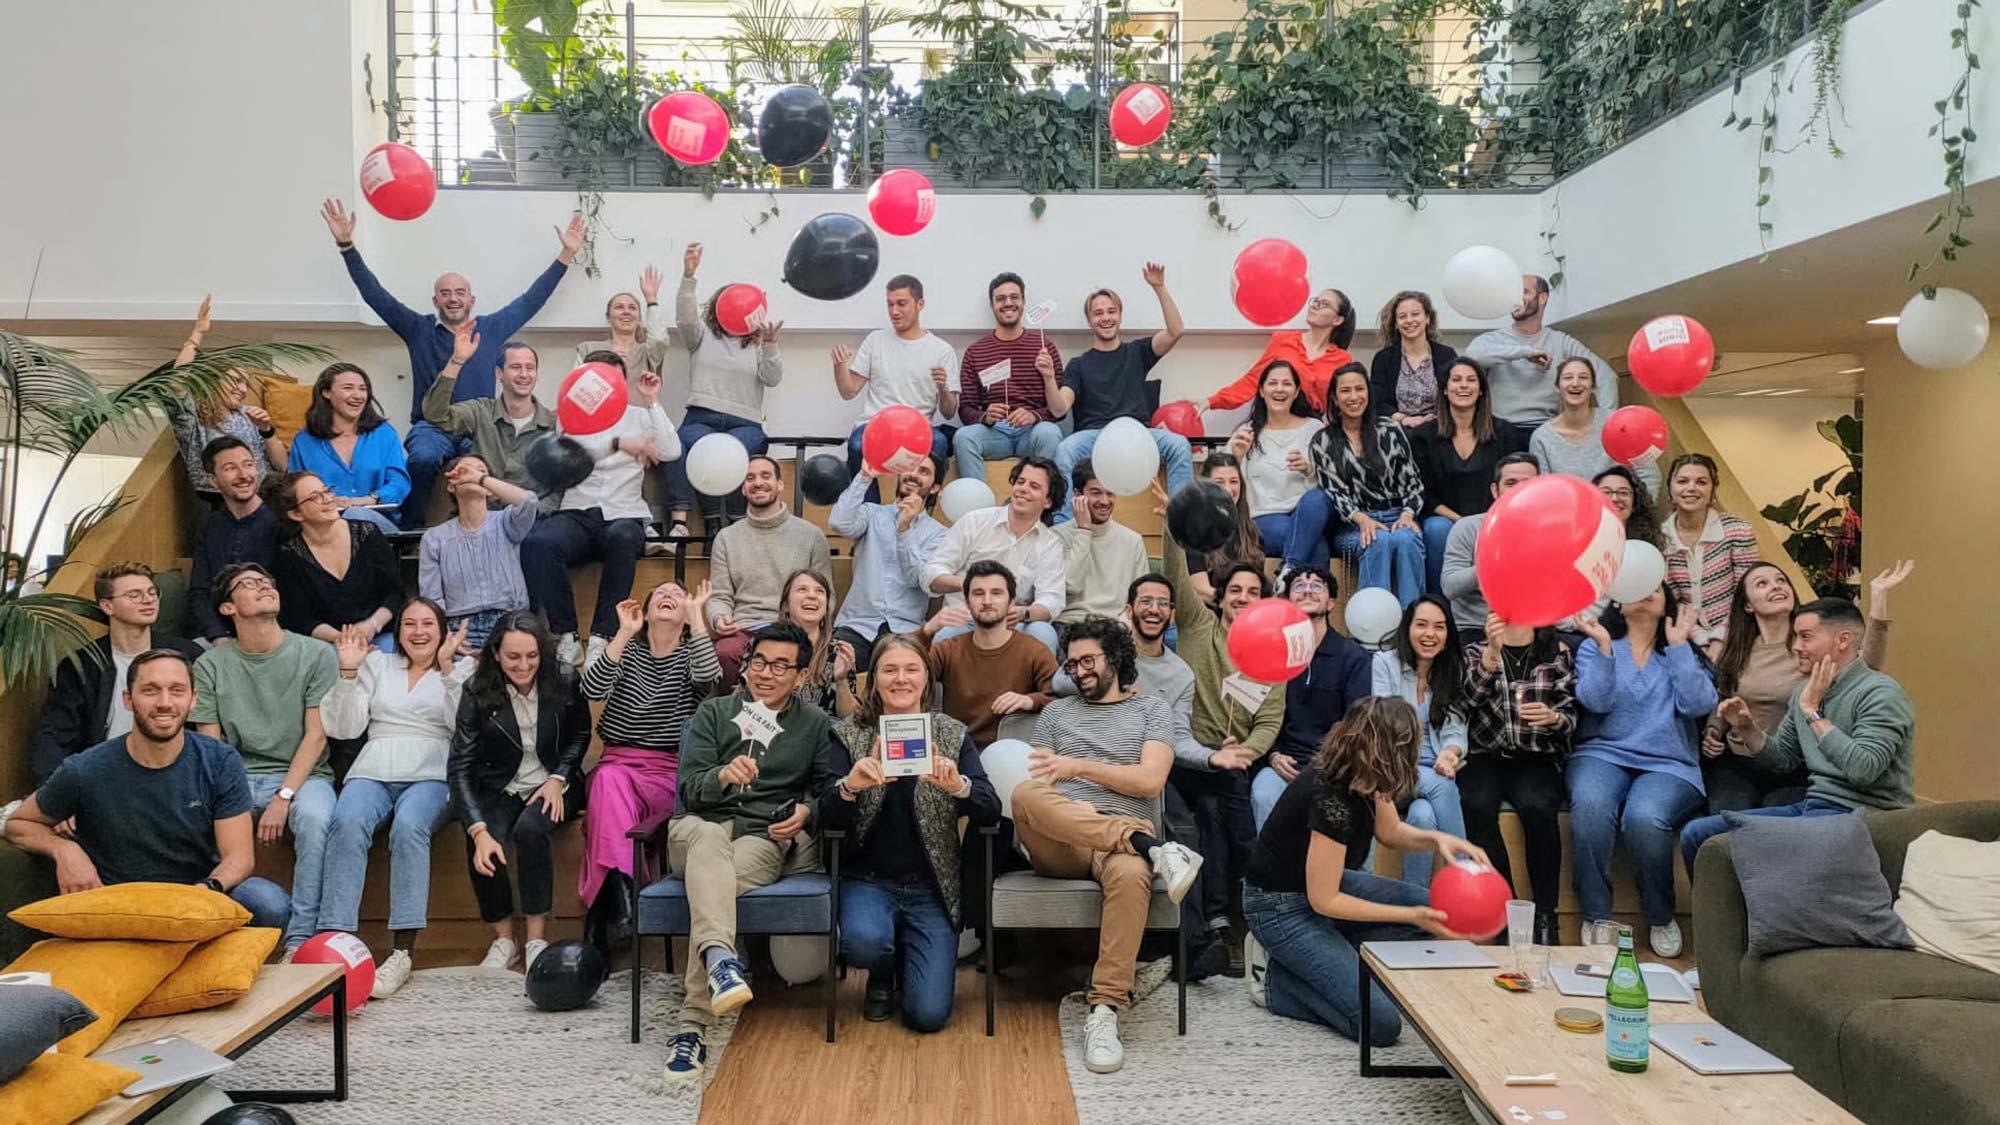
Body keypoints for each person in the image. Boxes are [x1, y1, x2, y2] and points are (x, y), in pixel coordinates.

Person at [320, 199, 585, 528]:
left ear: (471, 300)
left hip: (480, 425)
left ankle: (489, 533)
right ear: (436, 300)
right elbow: (376, 295)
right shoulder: (417, 329)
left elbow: (532, 299)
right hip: (433, 427)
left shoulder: (490, 328)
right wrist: (347, 246)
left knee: (496, 466)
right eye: (445, 293)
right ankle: (411, 531)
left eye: (460, 292)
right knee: (423, 457)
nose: (453, 298)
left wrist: (565, 255)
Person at [1016, 617, 1203, 1074]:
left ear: (1115, 658)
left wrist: (1077, 767)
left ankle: (1104, 1010)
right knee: (1022, 795)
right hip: (1063, 837)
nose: (1078, 671)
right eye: (1071, 663)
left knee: (1132, 871)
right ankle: (1152, 846)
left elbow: (1150, 781)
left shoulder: (1151, 710)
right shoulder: (1055, 715)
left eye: (1088, 661)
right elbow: (1038, 785)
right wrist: (1073, 798)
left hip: (1117, 849)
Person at [1240, 696, 1487, 1041]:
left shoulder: (1367, 774)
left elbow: (1390, 831)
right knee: (1381, 1025)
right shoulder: (1331, 798)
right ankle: (1273, 981)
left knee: (1437, 912)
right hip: (1279, 908)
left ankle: (1326, 960)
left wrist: (1440, 841)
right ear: (1387, 751)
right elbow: (1325, 901)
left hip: (1319, 889)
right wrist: (1411, 915)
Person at [662, 623, 841, 1084]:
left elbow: (827, 793)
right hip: (696, 829)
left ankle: (702, 1000)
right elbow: (689, 791)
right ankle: (712, 983)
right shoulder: (714, 712)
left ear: (801, 676)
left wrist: (805, 812)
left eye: (781, 666)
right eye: (759, 661)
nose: (766, 673)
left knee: (712, 891)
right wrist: (722, 776)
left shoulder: (814, 724)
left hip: (760, 837)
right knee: (707, 839)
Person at [5, 650, 290, 928]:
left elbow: (240, 858)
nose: (165, 703)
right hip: (119, 905)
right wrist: (64, 849)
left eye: (177, 691)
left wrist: (206, 889)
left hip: (198, 898)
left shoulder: (219, 760)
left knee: (267, 902)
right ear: (128, 699)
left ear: (193, 699)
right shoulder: (86, 768)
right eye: (150, 691)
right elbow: (19, 823)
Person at [820, 636, 1001, 1030]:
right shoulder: (848, 734)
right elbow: (826, 816)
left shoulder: (951, 733)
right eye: (890, 670)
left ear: (926, 679)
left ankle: (907, 959)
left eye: (911, 669)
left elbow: (991, 807)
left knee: (928, 1015)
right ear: (874, 680)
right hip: (867, 880)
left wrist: (959, 787)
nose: (900, 678)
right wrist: (849, 787)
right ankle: (882, 972)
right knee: (864, 942)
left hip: (931, 887)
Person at [1678, 595, 1917, 872]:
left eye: (1806, 637)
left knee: (1751, 852)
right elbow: (1782, 760)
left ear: (1843, 640)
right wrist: (1746, 727)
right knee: (1698, 835)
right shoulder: (1804, 692)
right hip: (1814, 808)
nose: (1796, 647)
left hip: (1866, 817)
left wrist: (1813, 712)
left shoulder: (1881, 693)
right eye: (1795, 637)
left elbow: (1862, 769)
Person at [319, 598, 473, 997]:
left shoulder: (462, 669)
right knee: (346, 820)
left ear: (442, 630)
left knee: (409, 827)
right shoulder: (377, 664)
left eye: (428, 624)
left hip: (432, 771)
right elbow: (344, 728)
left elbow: (462, 728)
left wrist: (447, 669)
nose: (418, 632)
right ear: (398, 631)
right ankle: (336, 942)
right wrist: (348, 672)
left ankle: (402, 951)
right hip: (374, 764)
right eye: (409, 624)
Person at [191, 562, 340, 953]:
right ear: (227, 608)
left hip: (305, 775)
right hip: (236, 775)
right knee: (194, 816)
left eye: (266, 581)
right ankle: (211, 931)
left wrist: (283, 797)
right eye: (249, 584)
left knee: (316, 818)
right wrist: (234, 796)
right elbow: (212, 747)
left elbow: (316, 735)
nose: (263, 587)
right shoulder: (209, 665)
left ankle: (301, 940)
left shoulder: (316, 653)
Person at [1567, 585, 1714, 956]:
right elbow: (1595, 702)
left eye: (1655, 588)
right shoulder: (1595, 645)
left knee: (1644, 817)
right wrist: (1603, 647)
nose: (1647, 592)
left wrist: (1679, 647)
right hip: (1603, 753)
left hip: (1669, 763)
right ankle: (1596, 915)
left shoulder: (1681, 650)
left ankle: (1660, 914)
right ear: (1618, 602)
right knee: (1591, 806)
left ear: (1667, 604)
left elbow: (1698, 705)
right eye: (1638, 585)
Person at [1161, 519, 1286, 949]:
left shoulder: (1271, 657)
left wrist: (1246, 750)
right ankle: (1239, 911)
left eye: (1252, 592)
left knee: (1224, 821)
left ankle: (1235, 921)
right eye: (1235, 590)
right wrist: (1172, 526)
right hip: (1184, 759)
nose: (1243, 597)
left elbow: (1269, 721)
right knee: (1216, 818)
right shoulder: (1197, 625)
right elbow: (1176, 576)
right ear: (1220, 596)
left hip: (1232, 764)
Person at [578, 580, 720, 954]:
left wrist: (698, 618)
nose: (668, 595)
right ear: (646, 609)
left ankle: (611, 909)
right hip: (616, 763)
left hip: (666, 772)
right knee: (608, 781)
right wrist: (624, 633)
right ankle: (625, 902)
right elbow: (592, 690)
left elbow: (710, 679)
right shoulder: (627, 651)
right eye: (660, 593)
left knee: (606, 794)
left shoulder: (691, 655)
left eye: (678, 594)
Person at [449, 611, 592, 974]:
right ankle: (503, 939)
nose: (523, 665)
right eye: (513, 656)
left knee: (530, 829)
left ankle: (535, 938)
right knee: (485, 837)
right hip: (500, 782)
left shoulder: (564, 677)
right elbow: (460, 766)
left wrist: (559, 777)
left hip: (556, 780)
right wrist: (477, 830)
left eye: (531, 655)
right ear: (496, 654)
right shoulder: (476, 689)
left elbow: (580, 735)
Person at [1698, 561, 1901, 813]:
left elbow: (1868, 664)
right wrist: (1714, 730)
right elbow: (1724, 696)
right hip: (1740, 761)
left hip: (1797, 764)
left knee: (1769, 823)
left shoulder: (1810, 647)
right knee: (1727, 818)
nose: (1776, 586)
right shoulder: (1737, 648)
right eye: (1762, 583)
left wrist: (1879, 606)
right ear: (1747, 605)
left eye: (1781, 580)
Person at [521, 358, 680, 667]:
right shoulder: (570, 419)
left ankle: (601, 637)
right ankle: (566, 634)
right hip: (577, 512)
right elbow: (572, 458)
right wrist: (618, 443)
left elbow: (671, 451)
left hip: (624, 512)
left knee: (624, 537)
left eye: (610, 381)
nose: (603, 388)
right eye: (596, 382)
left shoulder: (639, 416)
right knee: (538, 542)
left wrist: (652, 401)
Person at [1460, 613, 1574, 946]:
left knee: (1539, 807)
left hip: (1535, 756)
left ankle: (1546, 914)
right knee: (1476, 804)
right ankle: (1503, 910)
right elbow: (1466, 702)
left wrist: (1554, 718)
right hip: (1484, 755)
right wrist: (1491, 657)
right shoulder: (1475, 651)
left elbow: (1571, 715)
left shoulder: (1556, 652)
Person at [33, 563, 202, 784]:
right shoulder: (80, 665)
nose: (148, 600)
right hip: (101, 777)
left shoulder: (187, 656)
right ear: (107, 606)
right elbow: (56, 735)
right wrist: (54, 791)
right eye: (135, 595)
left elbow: (203, 727)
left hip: (172, 774)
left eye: (152, 592)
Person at [1051, 264, 1194, 516]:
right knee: (1064, 450)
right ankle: (1064, 525)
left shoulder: (1137, 352)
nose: (1105, 318)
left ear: (1120, 315)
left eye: (1111, 311)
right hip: (1095, 437)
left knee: (1179, 445)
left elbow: (1176, 331)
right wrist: (1048, 378)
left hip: (1138, 433)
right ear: (1090, 320)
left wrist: (1159, 287)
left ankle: (1182, 519)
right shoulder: (1078, 364)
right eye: (1098, 313)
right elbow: (1059, 407)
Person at [669, 243, 783, 538]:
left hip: (746, 421)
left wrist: (771, 345)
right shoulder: (701, 336)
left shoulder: (758, 343)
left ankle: (733, 523)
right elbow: (685, 318)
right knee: (679, 446)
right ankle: (694, 522)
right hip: (701, 417)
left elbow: (772, 378)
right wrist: (688, 276)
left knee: (731, 454)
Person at [1252, 567, 1371, 831]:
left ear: (1331, 603)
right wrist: (1273, 755)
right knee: (1262, 793)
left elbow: (1358, 724)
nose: (1307, 590)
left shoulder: (1353, 657)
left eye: (1317, 585)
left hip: (1334, 766)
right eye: (1298, 586)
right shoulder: (1273, 654)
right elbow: (1259, 716)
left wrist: (1332, 765)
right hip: (1285, 763)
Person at [1370, 596, 1469, 888]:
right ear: (1407, 628)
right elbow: (1385, 725)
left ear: (1448, 635)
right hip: (1393, 770)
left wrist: (1450, 753)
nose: (1430, 634)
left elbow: (1455, 726)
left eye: (1439, 627)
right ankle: (1466, 877)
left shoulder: (1451, 670)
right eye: (1422, 625)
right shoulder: (1385, 663)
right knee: (1442, 785)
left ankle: (1416, 899)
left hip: (1435, 766)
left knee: (1423, 817)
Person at [705, 454, 833, 679]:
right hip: (745, 626)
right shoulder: (726, 538)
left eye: (766, 476)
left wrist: (811, 629)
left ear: (780, 484)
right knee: (724, 653)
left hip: (794, 627)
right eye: (750, 478)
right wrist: (719, 617)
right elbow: (719, 595)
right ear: (743, 489)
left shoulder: (811, 535)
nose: (758, 483)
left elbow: (826, 593)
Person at [920, 457, 1067, 654]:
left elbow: (1051, 599)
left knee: (1044, 633)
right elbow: (931, 573)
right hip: (965, 619)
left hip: (1013, 623)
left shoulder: (1050, 544)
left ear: (1048, 501)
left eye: (1034, 486)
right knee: (944, 636)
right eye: (1020, 482)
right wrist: (967, 584)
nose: (1023, 489)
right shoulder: (974, 521)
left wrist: (1024, 613)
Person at [1312, 364, 1426, 607]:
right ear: (1334, 398)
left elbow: (1413, 481)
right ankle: (1373, 624)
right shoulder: (1323, 440)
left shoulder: (1390, 429)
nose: (1354, 397)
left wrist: (1408, 515)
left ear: (1368, 392)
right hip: (1352, 526)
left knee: (1407, 539)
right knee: (1376, 539)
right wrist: (1363, 520)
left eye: (1359, 389)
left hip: (1398, 515)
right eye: (1346, 391)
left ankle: (1413, 618)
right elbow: (1334, 493)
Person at [1412, 357, 1527, 594]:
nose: (1463, 385)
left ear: (1481, 389)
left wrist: (1484, 521)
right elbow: (1424, 493)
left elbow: (1513, 486)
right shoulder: (1423, 436)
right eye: (1456, 380)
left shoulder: (1505, 432)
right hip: (1445, 519)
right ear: (1445, 389)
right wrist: (1462, 522)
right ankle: (1438, 603)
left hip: (1493, 518)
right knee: (1437, 529)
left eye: (1471, 380)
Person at [919, 561, 1058, 746]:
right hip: (960, 750)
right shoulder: (948, 650)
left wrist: (1030, 701)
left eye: (996, 593)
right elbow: (904, 669)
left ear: (1011, 602)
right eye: (978, 593)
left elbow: (1060, 702)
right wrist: (927, 630)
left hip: (1011, 751)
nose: (987, 601)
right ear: (967, 602)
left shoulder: (1034, 651)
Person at [834, 274, 957, 479]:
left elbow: (949, 412)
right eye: (890, 304)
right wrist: (839, 366)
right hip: (876, 425)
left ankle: (918, 499)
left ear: (920, 304)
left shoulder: (941, 350)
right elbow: (848, 391)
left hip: (917, 429)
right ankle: (865, 500)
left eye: (901, 304)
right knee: (856, 445)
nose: (894, 311)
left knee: (939, 443)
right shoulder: (875, 340)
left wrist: (943, 388)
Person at [829, 457, 946, 667]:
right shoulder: (872, 513)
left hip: (905, 630)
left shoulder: (939, 534)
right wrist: (864, 477)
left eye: (924, 472)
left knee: (903, 674)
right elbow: (839, 523)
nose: (913, 474)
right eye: (910, 467)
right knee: (834, 668)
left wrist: (904, 530)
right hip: (858, 625)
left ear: (935, 487)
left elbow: (916, 578)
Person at [421, 326, 558, 500]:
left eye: (530, 368)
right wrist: (456, 361)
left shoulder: (554, 425)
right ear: (499, 373)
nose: (524, 374)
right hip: (483, 511)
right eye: (516, 367)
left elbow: (558, 488)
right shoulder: (481, 411)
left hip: (531, 513)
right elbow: (435, 415)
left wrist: (539, 512)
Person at [953, 272, 1065, 483]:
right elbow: (965, 408)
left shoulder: (1044, 348)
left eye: (1014, 297)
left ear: (1023, 302)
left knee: (1050, 433)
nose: (1008, 303)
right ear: (992, 305)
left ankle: (1043, 500)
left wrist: (1034, 416)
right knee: (963, 437)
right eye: (1001, 299)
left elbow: (1058, 410)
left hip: (1032, 432)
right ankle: (978, 501)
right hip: (994, 434)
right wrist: (985, 417)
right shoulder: (976, 352)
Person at [419, 456, 539, 651]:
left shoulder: (506, 522)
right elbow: (432, 599)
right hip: (461, 628)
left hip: (510, 623)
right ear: (451, 486)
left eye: (480, 470)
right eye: (465, 471)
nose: (472, 474)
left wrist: (480, 479)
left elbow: (529, 502)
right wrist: (448, 637)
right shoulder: (434, 538)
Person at [1463, 274, 1616, 427]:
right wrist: (1525, 352)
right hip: (1501, 428)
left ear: (1542, 298)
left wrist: (1607, 425)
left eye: (1524, 292)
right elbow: (1471, 357)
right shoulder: (1493, 339)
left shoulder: (1561, 342)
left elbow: (1605, 376)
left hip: (1545, 428)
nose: (1516, 299)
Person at [270, 472, 402, 648]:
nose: (328, 499)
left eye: (327, 491)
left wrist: (371, 625)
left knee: (388, 652)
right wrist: (342, 639)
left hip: (378, 632)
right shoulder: (288, 555)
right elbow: (300, 618)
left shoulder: (367, 533)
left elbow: (395, 594)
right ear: (296, 514)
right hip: (326, 642)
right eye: (315, 497)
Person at [168, 297, 284, 496]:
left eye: (245, 383)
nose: (243, 389)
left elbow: (282, 465)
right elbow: (176, 384)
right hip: (222, 499)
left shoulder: (249, 414)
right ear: (213, 382)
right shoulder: (193, 418)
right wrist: (197, 334)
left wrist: (267, 431)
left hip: (266, 496)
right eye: (236, 381)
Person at [1227, 360, 1331, 576]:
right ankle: (1298, 581)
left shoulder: (1314, 428)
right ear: (1261, 391)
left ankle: (1288, 571)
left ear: (1296, 391)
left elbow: (1333, 482)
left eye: (1287, 384)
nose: (1279, 389)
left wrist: (1309, 470)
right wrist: (1236, 456)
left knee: (1318, 498)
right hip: (1263, 517)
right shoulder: (1246, 432)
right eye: (1273, 383)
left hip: (1308, 515)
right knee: (1317, 546)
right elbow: (1222, 482)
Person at [1188, 288, 1357, 415]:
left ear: (1338, 319)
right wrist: (1211, 401)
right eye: (1315, 302)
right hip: (1275, 422)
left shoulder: (1342, 359)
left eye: (1324, 304)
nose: (1315, 307)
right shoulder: (1282, 340)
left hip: (1314, 428)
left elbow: (1342, 401)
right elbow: (1253, 380)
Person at [284, 363, 409, 533]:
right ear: (326, 392)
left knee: (355, 514)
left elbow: (399, 482)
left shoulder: (384, 434)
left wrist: (369, 500)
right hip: (323, 526)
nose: (358, 395)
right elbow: (296, 490)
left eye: (363, 389)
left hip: (379, 528)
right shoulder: (304, 440)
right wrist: (327, 501)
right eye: (348, 388)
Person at [1659, 452, 1759, 653]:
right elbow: (1671, 602)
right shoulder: (1660, 539)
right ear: (1670, 490)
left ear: (1712, 491)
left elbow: (1747, 592)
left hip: (1741, 632)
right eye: (1683, 481)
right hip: (1687, 637)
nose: (1691, 488)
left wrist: (1720, 638)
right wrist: (1700, 639)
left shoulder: (1738, 531)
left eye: (1701, 482)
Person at [189, 436, 285, 643]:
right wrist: (217, 636)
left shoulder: (281, 520)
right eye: (230, 468)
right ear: (213, 480)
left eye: (248, 465)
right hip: (220, 635)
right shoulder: (211, 526)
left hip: (275, 632)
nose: (243, 475)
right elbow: (199, 591)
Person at [1439, 453, 1541, 634]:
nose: (1519, 490)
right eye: (1511, 483)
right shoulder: (1468, 527)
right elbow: (1449, 587)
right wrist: (1493, 563)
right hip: (1477, 627)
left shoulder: (1552, 531)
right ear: (1495, 490)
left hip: (1534, 627)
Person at [1530, 357, 1662, 495]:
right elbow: (1542, 491)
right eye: (1568, 377)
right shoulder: (1541, 438)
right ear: (1557, 387)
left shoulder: (1617, 424)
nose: (1575, 383)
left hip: (1615, 507)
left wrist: (1641, 507)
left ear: (1593, 386)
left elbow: (1649, 474)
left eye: (1583, 377)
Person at [1055, 461, 1150, 625]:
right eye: (1096, 493)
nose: (1105, 501)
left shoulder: (1132, 540)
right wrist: (1083, 532)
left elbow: (1141, 597)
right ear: (1078, 495)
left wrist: (1123, 625)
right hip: (1070, 624)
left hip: (1116, 626)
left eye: (1110, 493)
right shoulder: (1057, 536)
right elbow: (1071, 586)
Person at [1366, 290, 1459, 428]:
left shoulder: (1446, 355)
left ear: (1427, 318)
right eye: (1402, 316)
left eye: (1415, 314)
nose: (1409, 320)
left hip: (1439, 428)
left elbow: (1455, 396)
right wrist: (1403, 419)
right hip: (1398, 428)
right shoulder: (1383, 358)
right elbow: (1377, 401)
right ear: (1396, 324)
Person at [1183, 452, 1265, 603]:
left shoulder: (1252, 532)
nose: (1227, 489)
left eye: (1234, 481)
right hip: (1211, 611)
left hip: (1246, 610)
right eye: (1219, 482)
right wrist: (1234, 602)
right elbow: (1201, 590)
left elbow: (1257, 588)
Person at [776, 569, 858, 717]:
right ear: (786, 605)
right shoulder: (764, 645)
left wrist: (841, 681)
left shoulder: (839, 652)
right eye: (802, 589)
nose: (812, 596)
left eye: (819, 591)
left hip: (824, 729)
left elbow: (849, 719)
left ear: (826, 608)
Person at [576, 266, 672, 377]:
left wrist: (651, 300)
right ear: (608, 317)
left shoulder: (647, 352)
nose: (626, 312)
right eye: (619, 307)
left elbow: (659, 339)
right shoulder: (588, 349)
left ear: (639, 319)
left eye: (632, 308)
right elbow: (574, 384)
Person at [1593, 465, 1664, 551]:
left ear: (1635, 502)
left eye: (1623, 493)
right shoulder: (1583, 541)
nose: (1614, 498)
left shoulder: (1646, 547)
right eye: (1606, 492)